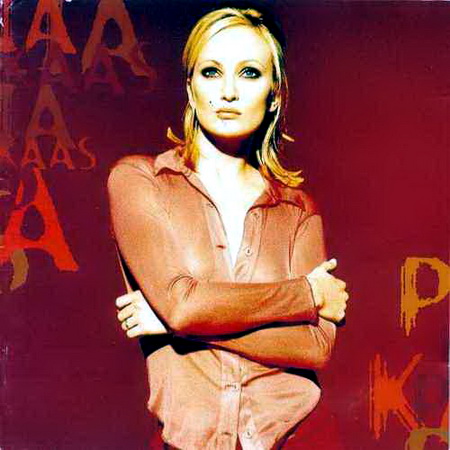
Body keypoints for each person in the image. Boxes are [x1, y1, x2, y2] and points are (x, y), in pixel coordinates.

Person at [107, 6, 349, 450]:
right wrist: (306, 294)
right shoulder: (140, 181)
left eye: (249, 73)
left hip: (297, 440)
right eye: (212, 72)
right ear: (190, 87)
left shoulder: (297, 210)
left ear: (274, 95)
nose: (229, 92)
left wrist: (173, 325)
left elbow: (315, 345)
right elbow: (182, 306)